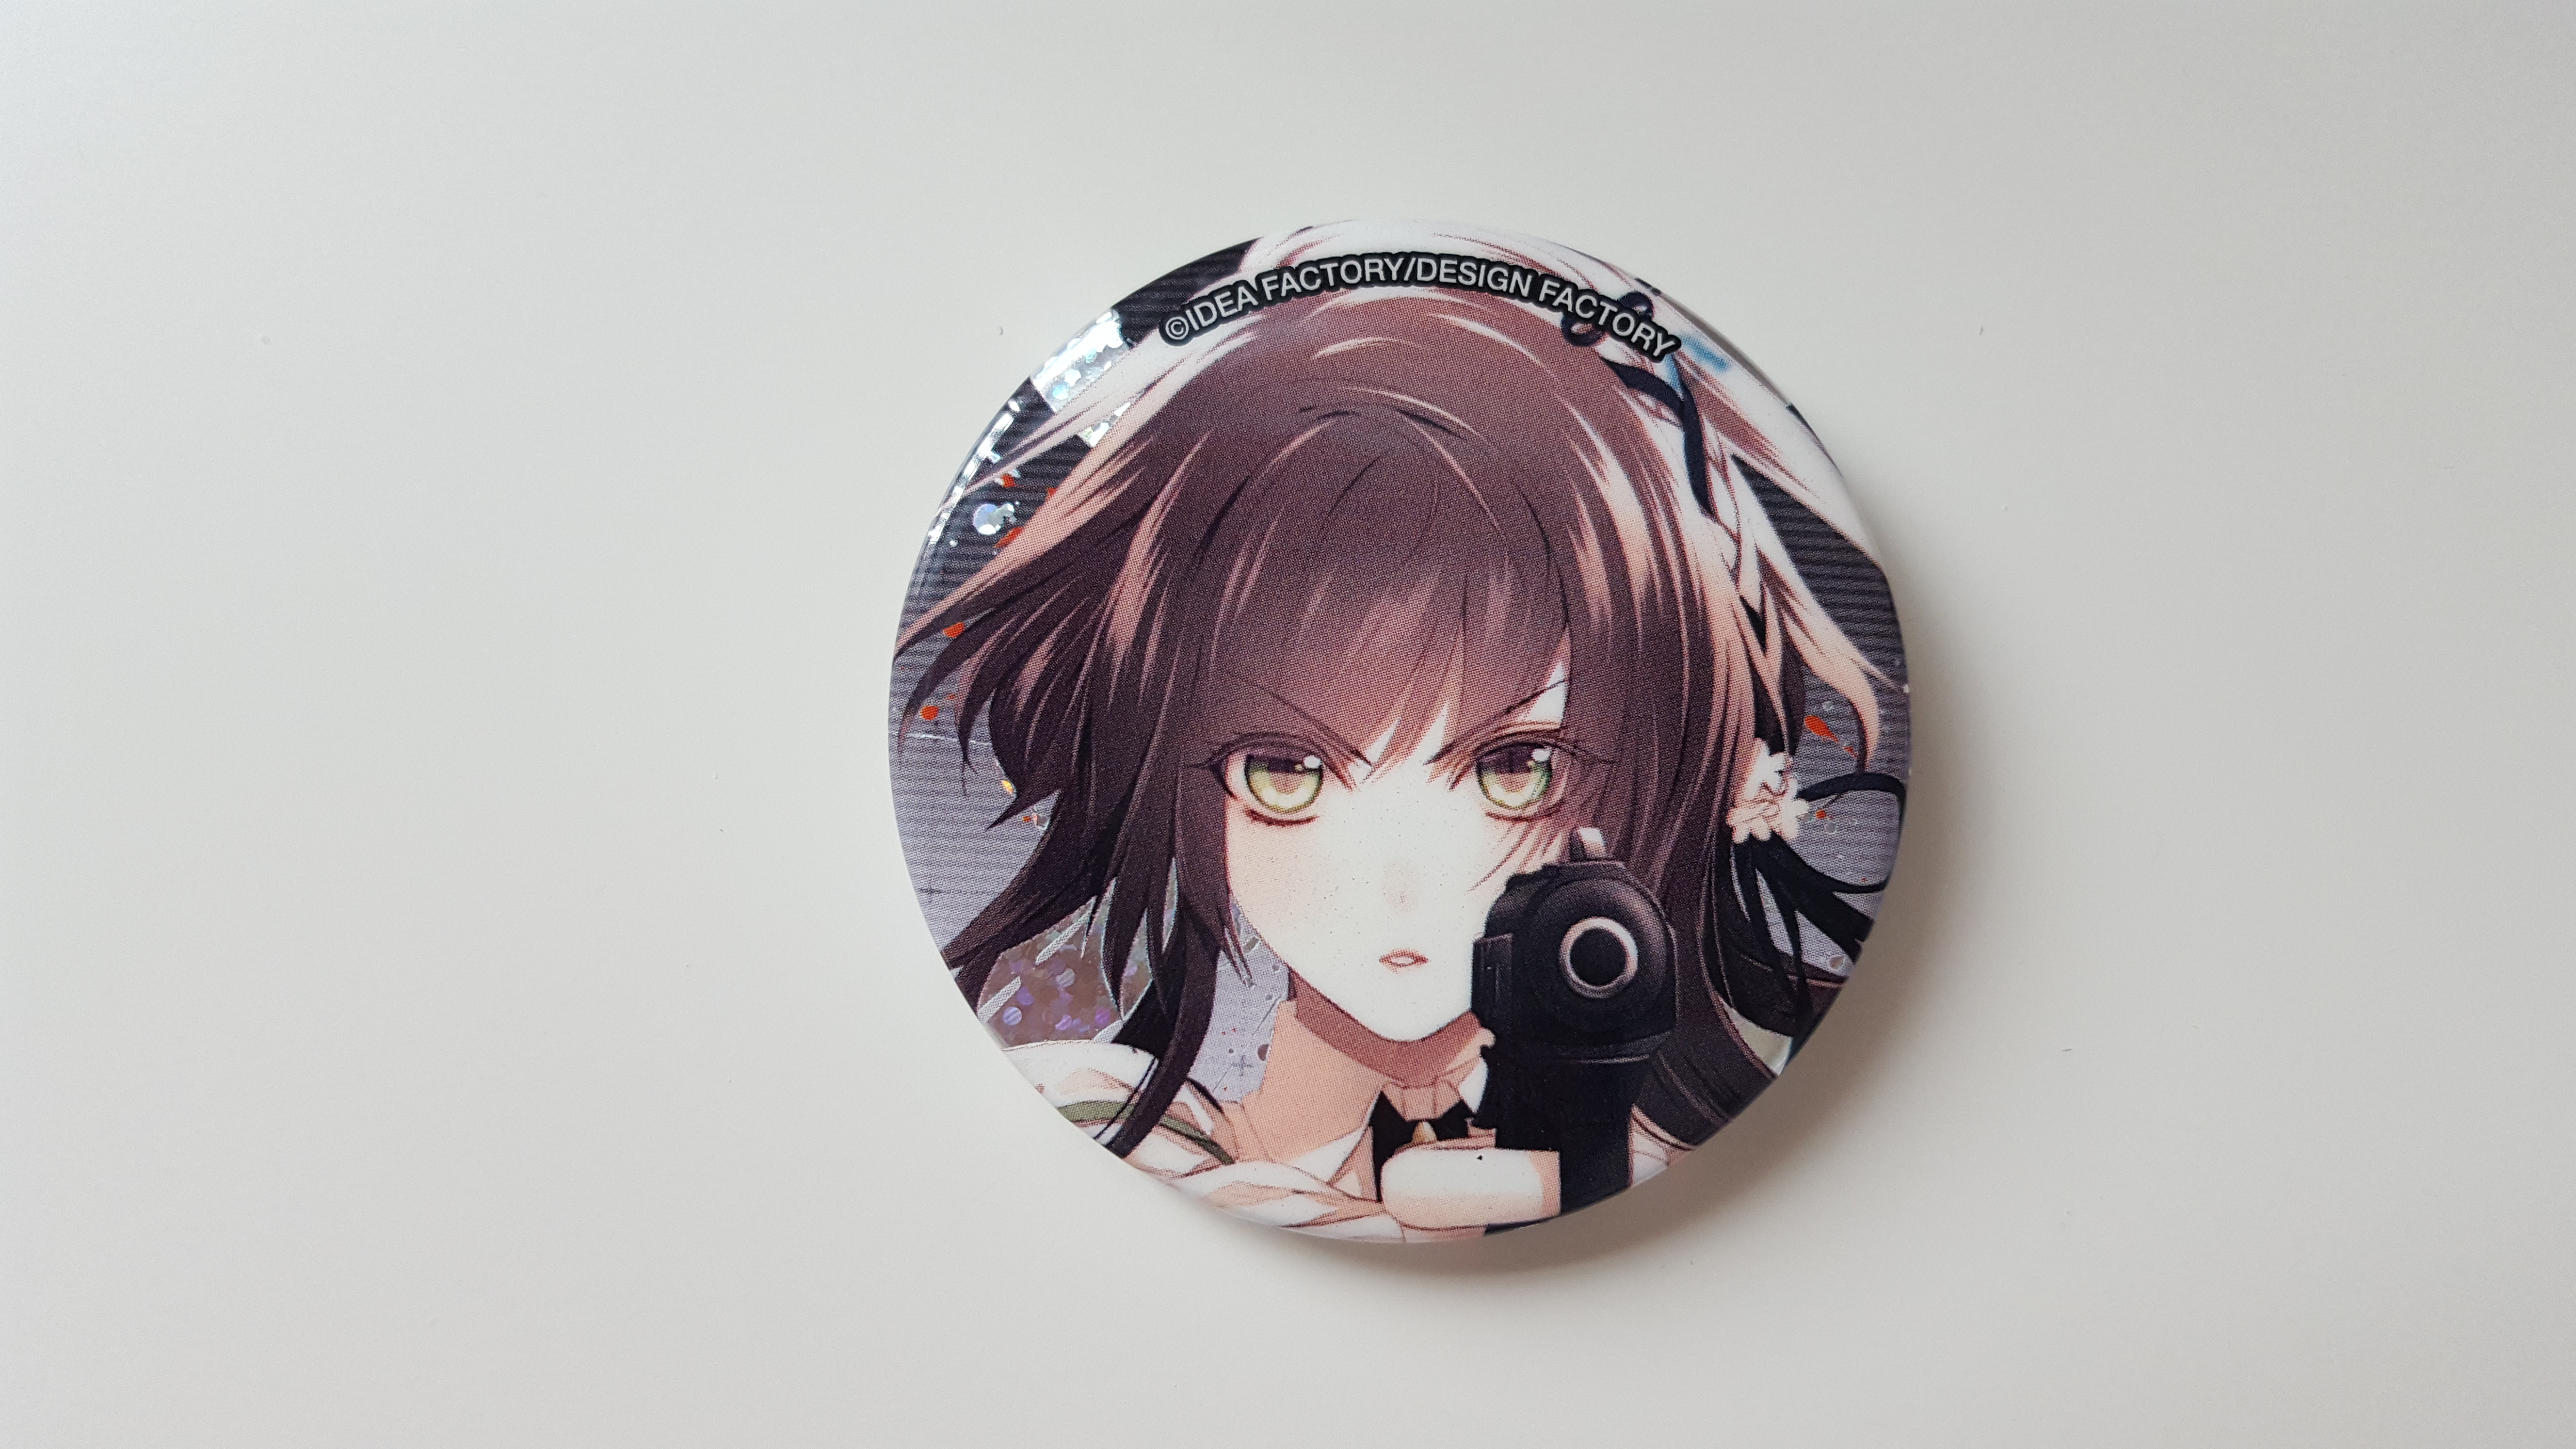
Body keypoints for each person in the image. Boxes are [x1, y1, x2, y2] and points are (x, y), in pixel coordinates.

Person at [895, 226, 1901, 1240]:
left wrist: (1588, 1157)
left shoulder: (1691, 1144)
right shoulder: (1109, 1121)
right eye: (1287, 770)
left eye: (1517, 768)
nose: (1401, 887)